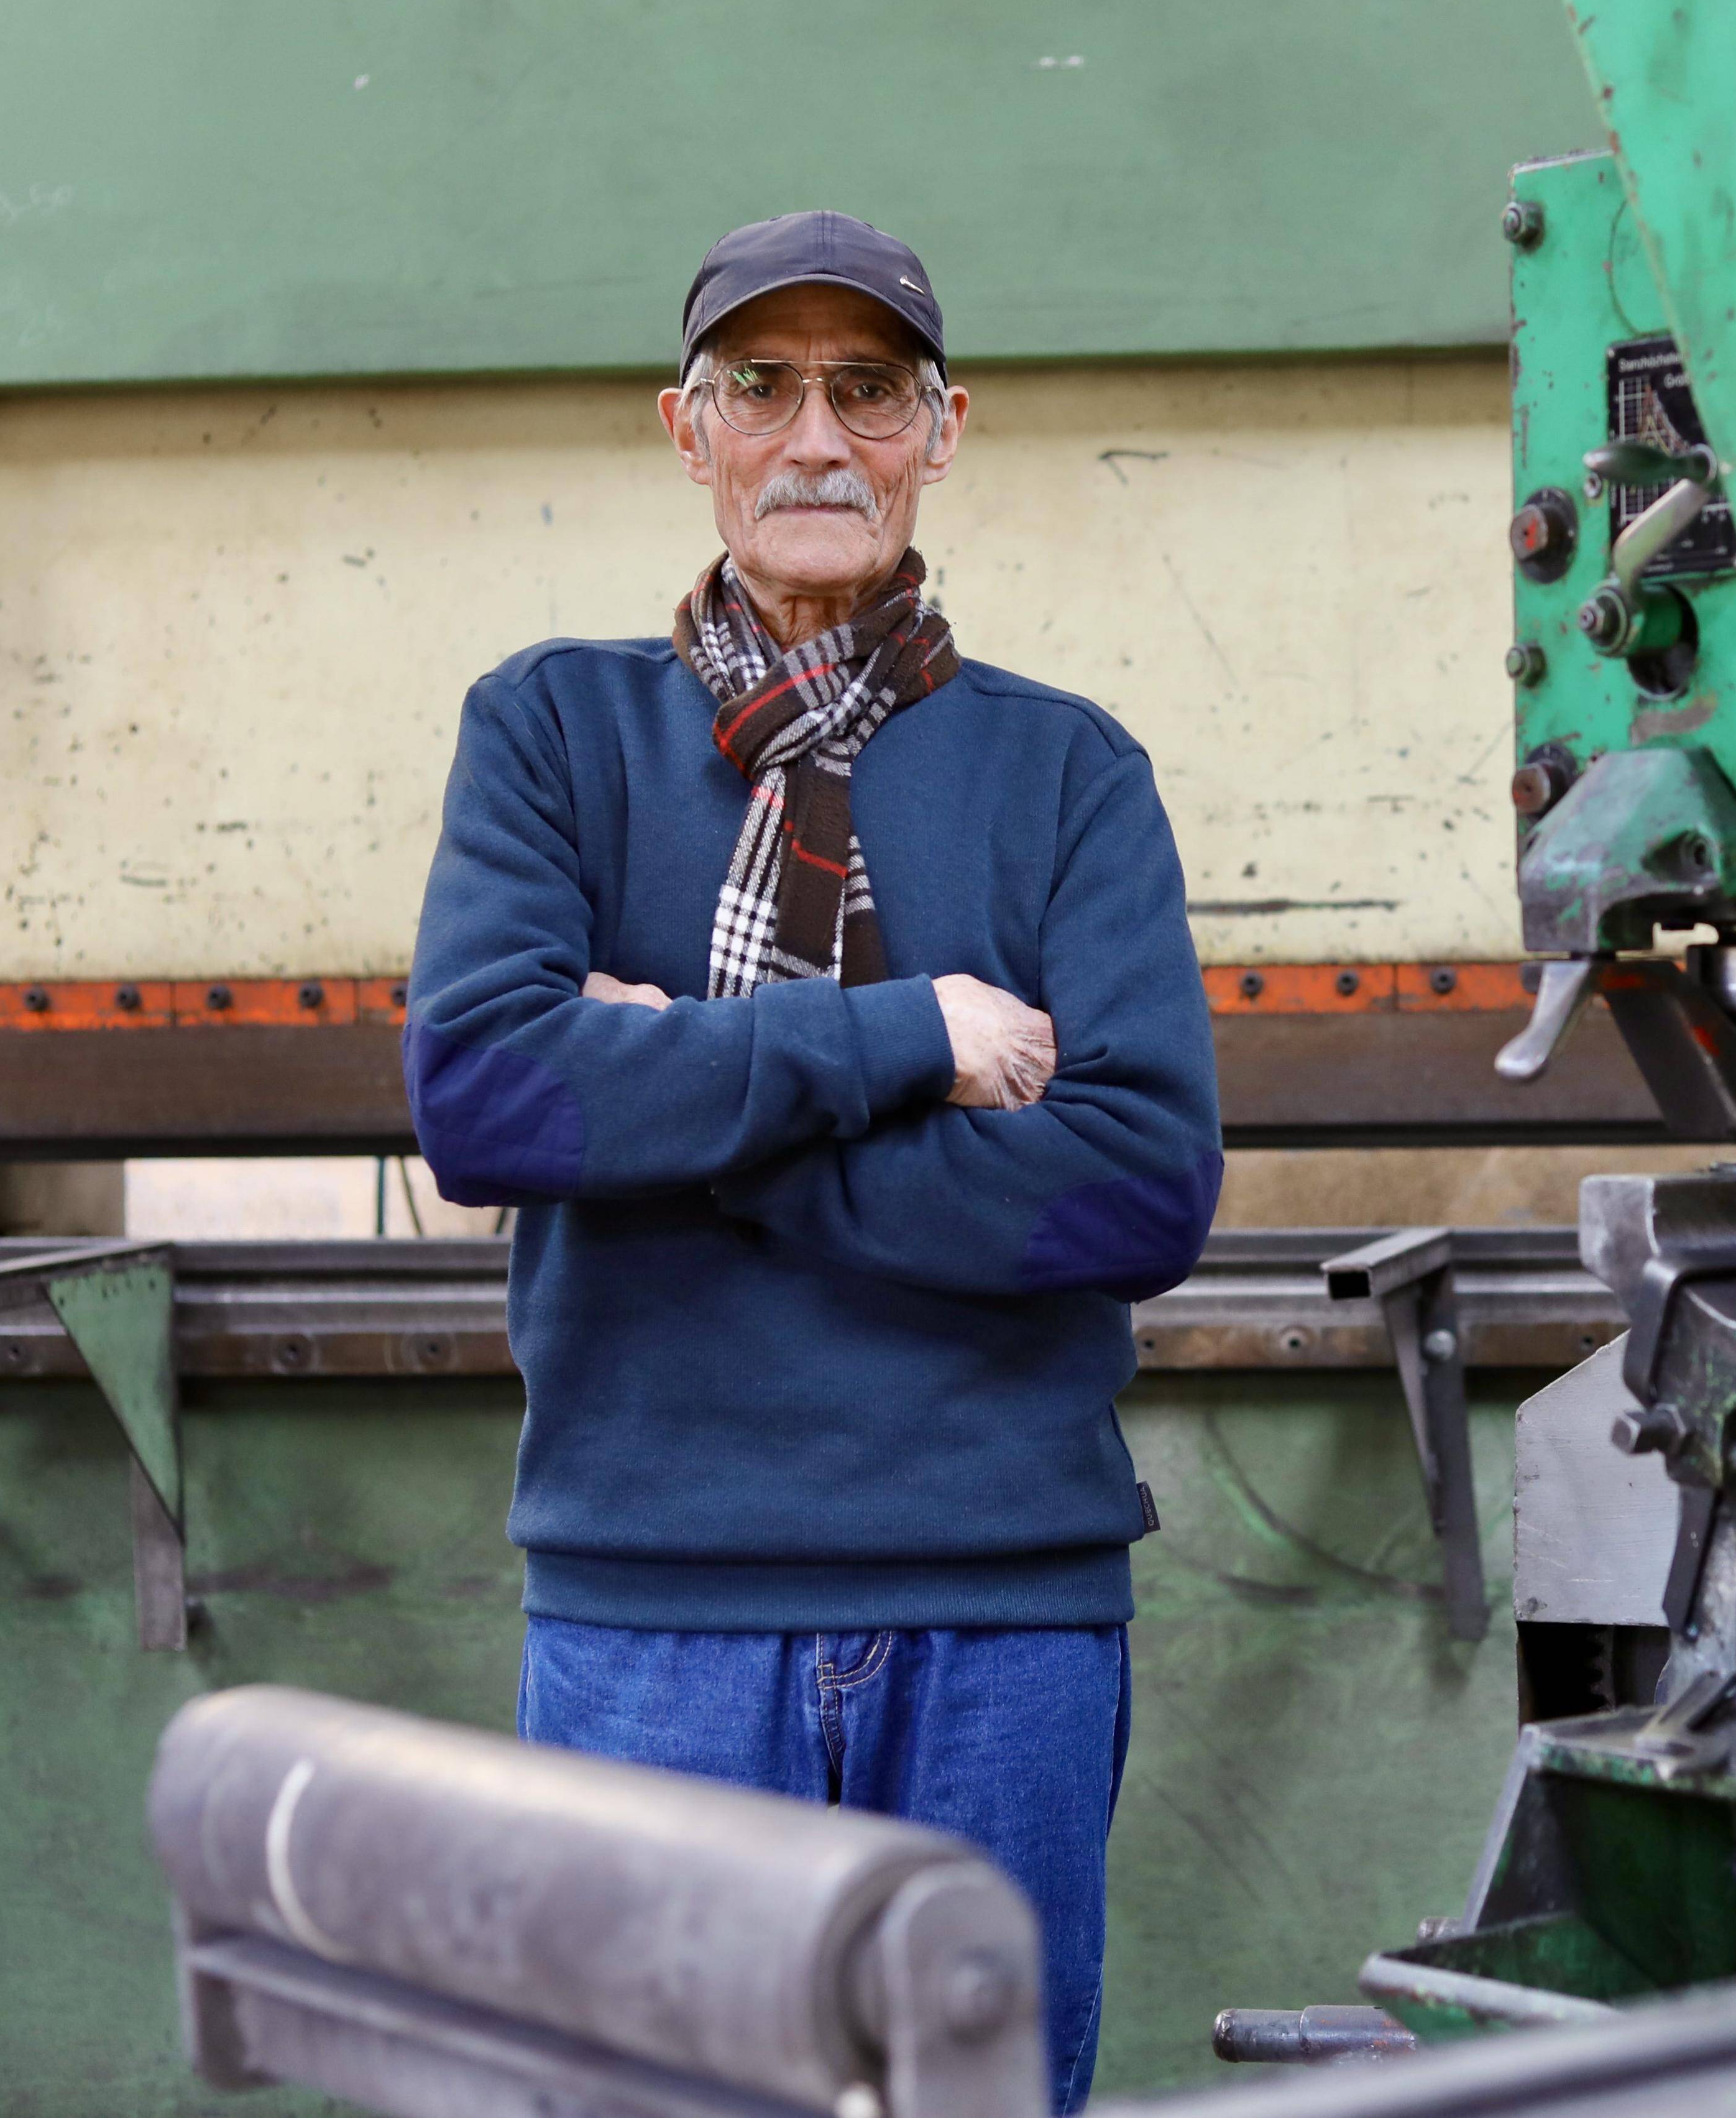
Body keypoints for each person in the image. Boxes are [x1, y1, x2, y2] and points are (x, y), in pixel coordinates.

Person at [403, 210, 1221, 2111]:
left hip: (1004, 1618)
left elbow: (1136, 1192)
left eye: (866, 390)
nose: (816, 439)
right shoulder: (551, 733)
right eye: (761, 389)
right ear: (686, 434)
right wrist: (909, 1040)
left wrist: (676, 1087)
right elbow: (494, 1111)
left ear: (945, 429)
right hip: (655, 1613)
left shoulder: (1069, 773)